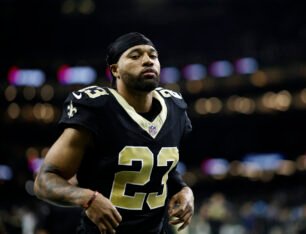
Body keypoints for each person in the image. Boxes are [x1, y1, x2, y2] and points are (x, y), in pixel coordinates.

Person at [34, 32, 194, 234]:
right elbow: (44, 180)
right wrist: (86, 198)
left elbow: (158, 166)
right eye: (135, 56)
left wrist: (184, 189)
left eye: (153, 56)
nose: (147, 61)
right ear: (115, 70)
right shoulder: (97, 109)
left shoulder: (175, 108)